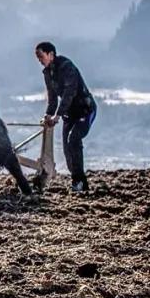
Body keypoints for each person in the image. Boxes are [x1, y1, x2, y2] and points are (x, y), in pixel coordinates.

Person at [35, 41, 97, 193]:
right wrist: (48, 115)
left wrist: (57, 116)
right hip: (69, 115)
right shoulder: (47, 73)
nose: (39, 60)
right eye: (37, 57)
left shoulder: (67, 67)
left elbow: (69, 94)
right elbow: (52, 99)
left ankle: (78, 182)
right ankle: (81, 182)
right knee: (67, 151)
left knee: (73, 139)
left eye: (41, 56)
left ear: (51, 54)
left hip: (84, 111)